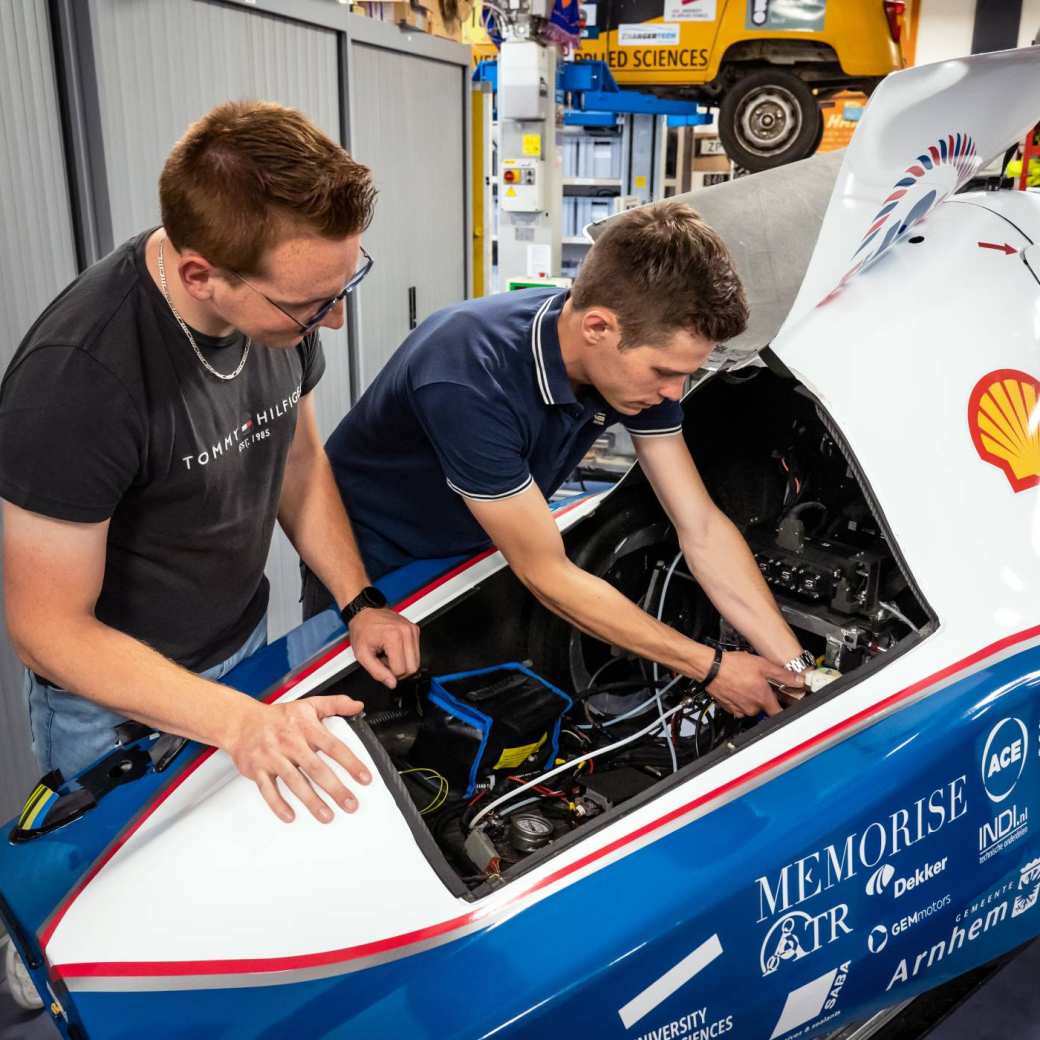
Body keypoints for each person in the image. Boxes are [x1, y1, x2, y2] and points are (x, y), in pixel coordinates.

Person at [0, 100, 419, 828]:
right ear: (200, 276)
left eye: (341, 291)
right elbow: (48, 629)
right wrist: (238, 724)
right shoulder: (77, 380)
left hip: (244, 649)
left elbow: (297, 459)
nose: (335, 321)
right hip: (115, 711)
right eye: (312, 307)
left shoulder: (283, 313)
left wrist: (359, 600)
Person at [303, 201, 812, 717]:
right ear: (597, 327)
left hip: (480, 548)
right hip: (374, 564)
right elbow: (546, 573)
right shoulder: (467, 374)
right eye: (663, 371)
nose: (674, 393)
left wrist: (799, 670)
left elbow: (698, 523)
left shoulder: (626, 364)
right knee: (387, 724)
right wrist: (710, 668)